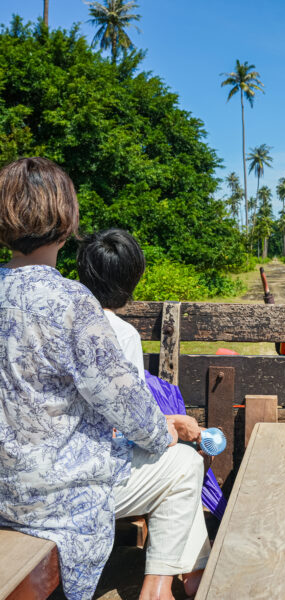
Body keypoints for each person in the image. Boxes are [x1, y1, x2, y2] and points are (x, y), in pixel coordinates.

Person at [0, 158, 209, 600]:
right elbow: (130, 411)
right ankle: (158, 591)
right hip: (54, 500)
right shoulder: (73, 303)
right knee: (185, 465)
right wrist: (166, 432)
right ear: (67, 221)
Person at [76, 228, 206, 446]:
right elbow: (132, 421)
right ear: (132, 280)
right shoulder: (124, 334)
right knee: (190, 460)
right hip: (101, 455)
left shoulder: (62, 321)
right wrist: (174, 425)